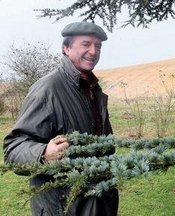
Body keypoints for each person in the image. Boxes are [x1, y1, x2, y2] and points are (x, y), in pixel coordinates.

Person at [3, 22, 118, 216]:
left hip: (99, 204)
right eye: (86, 44)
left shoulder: (93, 90)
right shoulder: (48, 90)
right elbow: (13, 148)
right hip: (62, 208)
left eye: (98, 46)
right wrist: (42, 153)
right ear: (66, 48)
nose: (93, 51)